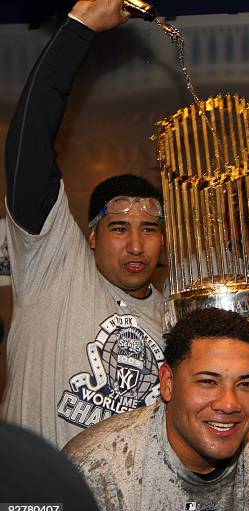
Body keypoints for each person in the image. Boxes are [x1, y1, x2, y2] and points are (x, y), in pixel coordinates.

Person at [1, 0, 166, 448]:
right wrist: (80, 27)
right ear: (90, 236)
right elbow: (30, 138)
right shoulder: (53, 269)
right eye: (118, 228)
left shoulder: (174, 320)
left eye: (149, 230)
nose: (136, 245)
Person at [63, 307, 249, 511]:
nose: (229, 403)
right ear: (168, 383)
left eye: (245, 384)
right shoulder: (97, 472)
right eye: (208, 382)